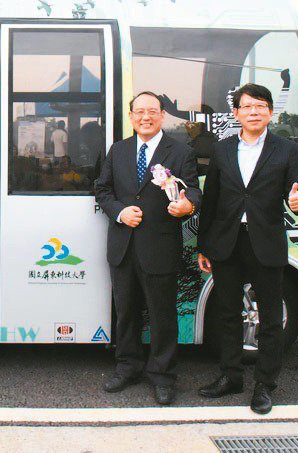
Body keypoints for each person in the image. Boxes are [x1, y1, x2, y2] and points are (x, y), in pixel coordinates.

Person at [196, 83, 298, 415]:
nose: (254, 112)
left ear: (270, 112)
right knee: (228, 313)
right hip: (226, 240)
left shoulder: (286, 150)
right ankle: (231, 376)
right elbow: (212, 198)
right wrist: (204, 244)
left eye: (260, 106)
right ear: (236, 113)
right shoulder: (223, 149)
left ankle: (264, 385)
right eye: (247, 107)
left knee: (270, 319)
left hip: (265, 241)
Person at [94, 91, 201, 405]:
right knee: (125, 311)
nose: (146, 117)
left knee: (162, 314)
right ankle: (127, 366)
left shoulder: (180, 152)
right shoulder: (119, 150)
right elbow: (102, 189)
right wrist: (119, 211)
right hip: (123, 245)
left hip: (161, 246)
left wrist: (188, 205)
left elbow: (192, 189)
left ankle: (163, 375)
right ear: (131, 116)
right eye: (139, 112)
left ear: (162, 115)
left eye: (152, 111)